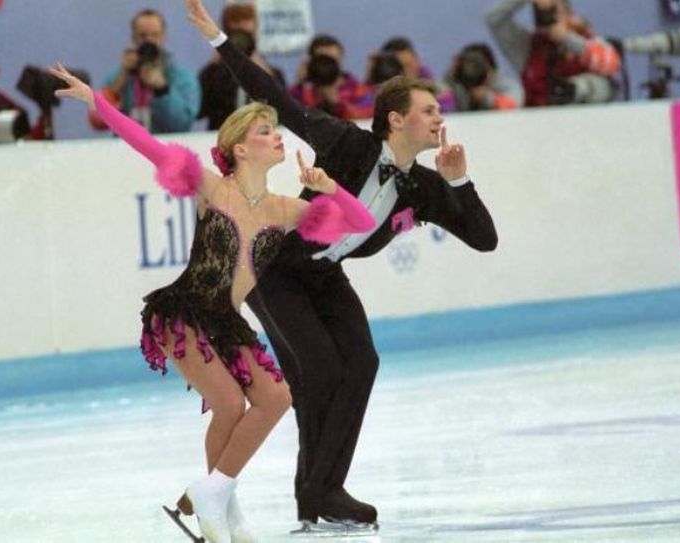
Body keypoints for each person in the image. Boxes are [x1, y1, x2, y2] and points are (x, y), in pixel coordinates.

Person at [185, 0, 498, 530]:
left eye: (439, 111)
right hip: (277, 271)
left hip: (325, 276)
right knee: (321, 370)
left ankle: (322, 492)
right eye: (428, 111)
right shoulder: (346, 142)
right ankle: (302, 492)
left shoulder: (420, 186)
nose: (439, 118)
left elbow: (484, 239)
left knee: (361, 363)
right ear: (396, 119)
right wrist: (219, 41)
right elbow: (275, 98)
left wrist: (459, 181)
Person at [49, 62, 374, 543]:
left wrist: (330, 189)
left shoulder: (286, 210)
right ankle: (215, 499)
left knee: (275, 396)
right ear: (241, 148)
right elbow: (147, 144)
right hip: (183, 313)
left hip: (227, 320)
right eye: (267, 131)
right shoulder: (211, 187)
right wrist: (97, 102)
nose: (278, 136)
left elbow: (362, 222)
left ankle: (217, 497)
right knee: (227, 403)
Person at [485, 0, 621, 107]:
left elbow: (612, 64)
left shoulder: (587, 39)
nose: (550, 16)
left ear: (569, 13)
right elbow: (492, 18)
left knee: (598, 84)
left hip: (585, 118)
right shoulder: (529, 47)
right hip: (541, 122)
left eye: (556, 10)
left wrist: (566, 38)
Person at [88, 8, 200, 134]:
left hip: (165, 148)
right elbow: (96, 122)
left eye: (155, 35)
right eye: (142, 36)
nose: (149, 41)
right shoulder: (118, 75)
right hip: (124, 149)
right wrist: (118, 84)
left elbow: (183, 125)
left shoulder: (182, 77)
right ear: (133, 38)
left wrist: (162, 90)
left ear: (164, 37)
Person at [198, 3, 286, 129]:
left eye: (246, 35)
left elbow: (283, 107)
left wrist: (259, 65)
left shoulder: (271, 73)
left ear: (255, 33)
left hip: (261, 136)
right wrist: (217, 60)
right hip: (222, 135)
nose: (241, 41)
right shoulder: (213, 73)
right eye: (236, 34)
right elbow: (200, 111)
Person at [444, 42, 524, 111]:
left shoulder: (508, 86)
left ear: (490, 69)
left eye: (477, 65)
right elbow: (438, 95)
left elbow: (512, 106)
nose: (471, 69)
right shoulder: (457, 84)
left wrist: (486, 98)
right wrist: (452, 74)